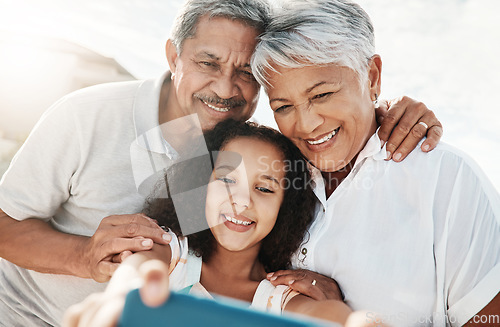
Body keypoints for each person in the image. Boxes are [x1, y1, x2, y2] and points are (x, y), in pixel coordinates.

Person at [0, 0, 442, 325]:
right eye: (207, 63)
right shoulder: (87, 115)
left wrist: (381, 112)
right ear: (174, 57)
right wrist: (87, 258)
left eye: (247, 73)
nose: (225, 88)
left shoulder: (228, 144)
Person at [247, 0, 499, 325]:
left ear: (372, 77)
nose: (306, 124)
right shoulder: (269, 175)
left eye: (321, 95)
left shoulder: (447, 179)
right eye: (283, 106)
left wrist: (340, 316)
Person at [64, 119, 356, 326]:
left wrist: (355, 321)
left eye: (264, 188)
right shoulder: (171, 254)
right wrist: (119, 298)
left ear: (285, 207)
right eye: (227, 179)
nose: (241, 201)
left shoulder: (276, 297)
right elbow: (138, 271)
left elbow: (327, 316)